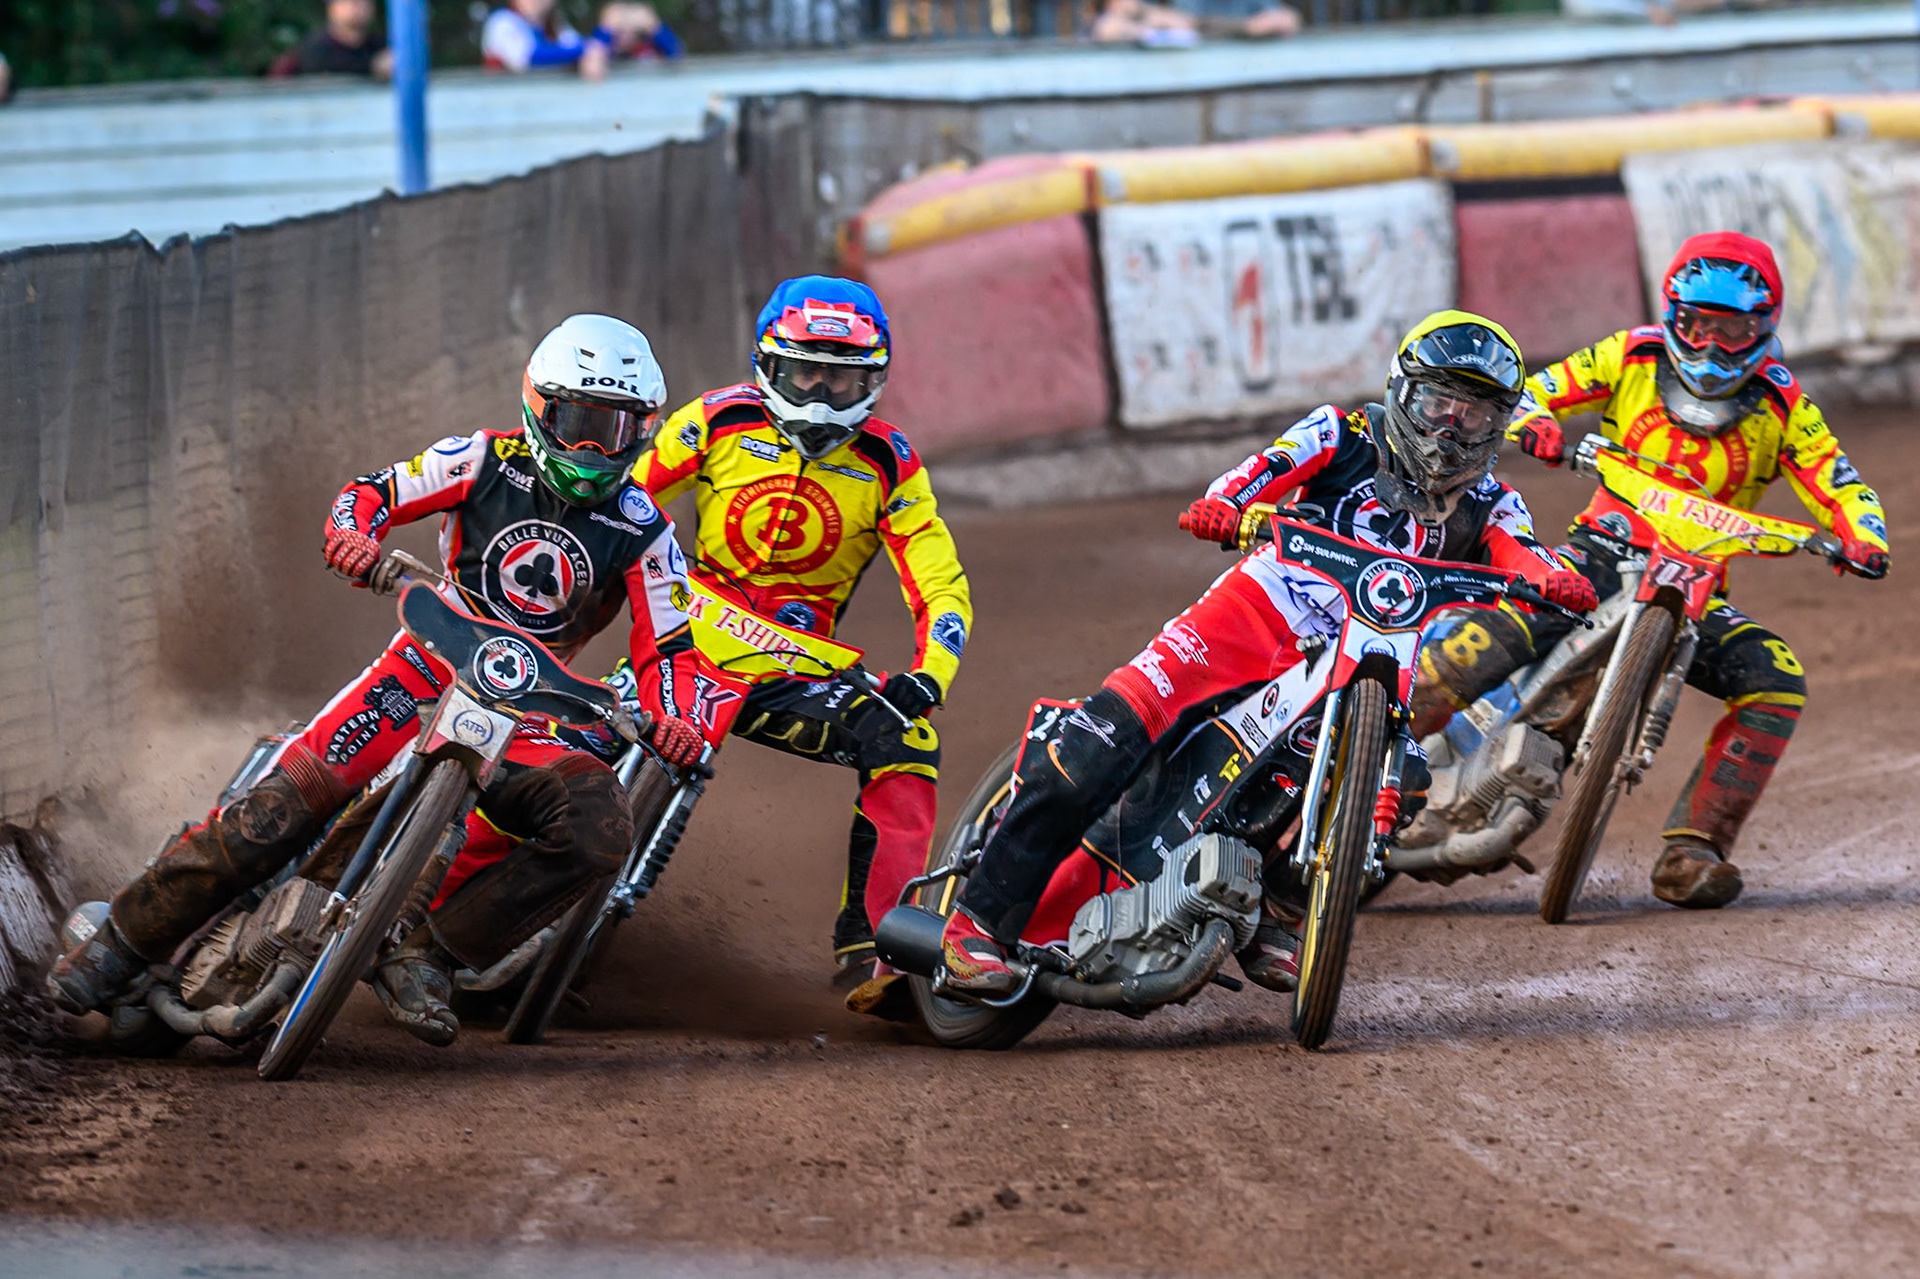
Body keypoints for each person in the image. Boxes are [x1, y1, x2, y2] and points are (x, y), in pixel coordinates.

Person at [46, 315, 709, 1046]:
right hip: (419, 671)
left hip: (529, 714)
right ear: (538, 407)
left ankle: (428, 955)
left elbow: (672, 647)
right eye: (578, 422)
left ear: (645, 430)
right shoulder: (481, 460)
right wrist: (353, 536)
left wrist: (676, 717)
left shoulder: (647, 532)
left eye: (615, 430)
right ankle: (122, 943)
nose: (591, 448)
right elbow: (372, 491)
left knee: (601, 826)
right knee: (281, 806)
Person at [938, 312, 1598, 997]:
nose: (1449, 430)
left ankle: (1279, 908)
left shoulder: (1494, 501)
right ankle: (975, 924)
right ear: (1403, 392)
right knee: (1108, 735)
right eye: (1438, 404)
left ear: (1499, 425)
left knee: (1399, 777)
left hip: (1368, 655)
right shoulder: (1341, 432)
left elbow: (1524, 554)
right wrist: (1226, 505)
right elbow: (1257, 473)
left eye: (1474, 415)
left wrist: (1556, 580)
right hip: (1252, 616)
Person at [1437, 231, 1889, 910]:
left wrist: (1864, 534)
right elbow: (1534, 389)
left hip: (1696, 591)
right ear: (1673, 314)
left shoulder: (1785, 406)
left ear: (1763, 329)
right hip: (1597, 554)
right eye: (1698, 326)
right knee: (1475, 646)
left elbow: (1841, 481)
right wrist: (1533, 421)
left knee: (1777, 681)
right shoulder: (1632, 354)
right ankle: (1362, 780)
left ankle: (1693, 851)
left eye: (1732, 331)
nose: (1710, 347)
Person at [632, 275, 971, 1018]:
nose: (820, 394)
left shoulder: (890, 462)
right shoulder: (714, 420)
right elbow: (622, 502)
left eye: (840, 377)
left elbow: (941, 584)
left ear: (873, 380)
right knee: (564, 720)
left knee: (908, 739)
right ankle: (460, 887)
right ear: (767, 364)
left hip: (793, 669)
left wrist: (930, 674)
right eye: (804, 372)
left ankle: (878, 952)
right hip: (682, 638)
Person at [481, 0, 682, 79]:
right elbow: (530, 58)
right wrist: (605, 31)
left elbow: (585, 48)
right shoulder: (502, 22)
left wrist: (653, 27)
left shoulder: (555, 27)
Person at [269, 0, 394, 79]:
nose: (358, 6)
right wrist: (373, 67)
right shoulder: (312, 49)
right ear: (332, 7)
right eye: (349, 1)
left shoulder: (382, 46)